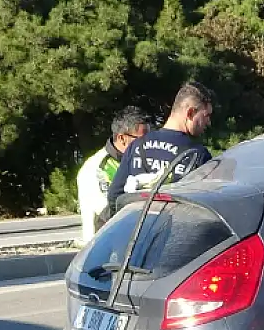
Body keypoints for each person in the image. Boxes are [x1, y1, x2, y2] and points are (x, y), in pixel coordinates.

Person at [106, 81, 215, 213]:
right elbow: (207, 207)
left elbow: (114, 198)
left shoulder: (137, 146)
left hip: (140, 229)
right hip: (175, 230)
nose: (208, 122)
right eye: (206, 116)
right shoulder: (197, 154)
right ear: (190, 113)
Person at [77, 107, 151, 243]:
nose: (147, 144)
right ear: (122, 138)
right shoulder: (96, 168)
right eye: (141, 140)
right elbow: (110, 213)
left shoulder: (140, 160)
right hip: (103, 250)